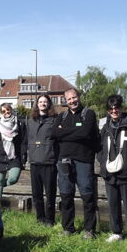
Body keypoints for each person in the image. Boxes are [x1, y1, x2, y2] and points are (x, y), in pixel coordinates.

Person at [53, 88, 100, 239]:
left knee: (87, 195)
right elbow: (55, 133)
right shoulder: (62, 116)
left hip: (83, 160)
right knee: (66, 194)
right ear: (65, 101)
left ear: (79, 97)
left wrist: (65, 131)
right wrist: (74, 131)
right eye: (69, 99)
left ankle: (89, 229)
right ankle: (68, 227)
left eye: (74, 98)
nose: (72, 101)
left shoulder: (89, 114)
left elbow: (86, 133)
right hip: (64, 160)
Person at [97, 95, 127, 249]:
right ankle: (117, 232)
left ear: (122, 107)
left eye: (117, 107)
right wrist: (102, 161)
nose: (114, 110)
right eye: (111, 108)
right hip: (110, 172)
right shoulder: (106, 125)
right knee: (113, 204)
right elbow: (100, 146)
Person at [25, 94, 58, 226]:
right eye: (40, 102)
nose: (43, 104)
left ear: (49, 104)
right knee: (36, 194)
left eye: (45, 102)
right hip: (34, 161)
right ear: (37, 104)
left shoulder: (54, 120)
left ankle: (50, 220)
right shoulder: (30, 120)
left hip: (48, 161)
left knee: (50, 194)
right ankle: (40, 218)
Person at [0, 103, 27, 200]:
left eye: (8, 110)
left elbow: (23, 141)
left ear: (11, 110)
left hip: (14, 156)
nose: (6, 112)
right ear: (1, 113)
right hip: (0, 156)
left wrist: (23, 157)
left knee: (13, 179)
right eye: (3, 111)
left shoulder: (19, 124)